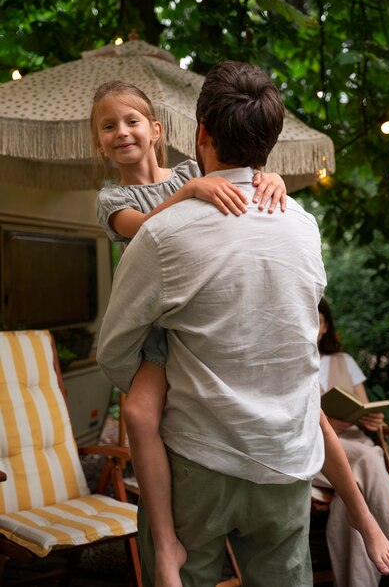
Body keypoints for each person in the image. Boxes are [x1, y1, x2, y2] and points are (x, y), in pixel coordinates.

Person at [97, 60, 327, 587]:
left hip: (198, 459)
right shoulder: (303, 225)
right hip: (286, 459)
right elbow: (304, 328)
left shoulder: (167, 229)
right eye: (108, 128)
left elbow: (112, 351)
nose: (121, 134)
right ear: (268, 142)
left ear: (197, 133)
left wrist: (168, 370)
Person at [317, 297, 389, 587]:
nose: (315, 326)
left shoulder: (343, 362)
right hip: (320, 452)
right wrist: (326, 425)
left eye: (320, 321)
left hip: (354, 442)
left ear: (325, 327)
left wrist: (371, 421)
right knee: (367, 456)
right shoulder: (294, 360)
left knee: (345, 505)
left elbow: (364, 407)